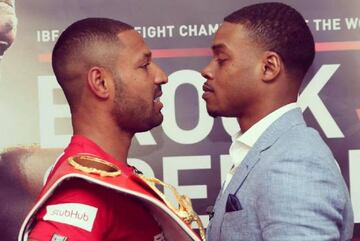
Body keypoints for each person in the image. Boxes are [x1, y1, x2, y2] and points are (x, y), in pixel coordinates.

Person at [18, 18, 202, 241]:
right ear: (101, 83)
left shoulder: (110, 180)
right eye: (144, 66)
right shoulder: (83, 193)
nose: (161, 76)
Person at [201, 2, 354, 241]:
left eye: (221, 59)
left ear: (269, 67)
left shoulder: (295, 162)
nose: (206, 70)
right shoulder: (271, 150)